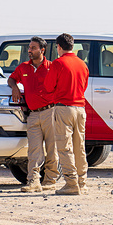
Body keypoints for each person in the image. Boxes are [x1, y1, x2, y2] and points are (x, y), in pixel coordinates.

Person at [8, 36, 59, 192]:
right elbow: (11, 79)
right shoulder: (23, 67)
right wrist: (14, 87)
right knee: (34, 150)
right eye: (29, 48)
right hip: (33, 115)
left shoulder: (52, 67)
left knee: (52, 148)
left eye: (33, 48)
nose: (29, 51)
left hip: (50, 112)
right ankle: (33, 181)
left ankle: (50, 180)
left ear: (42, 50)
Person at [44, 33, 89, 195]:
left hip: (64, 108)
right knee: (79, 146)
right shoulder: (82, 64)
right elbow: (84, 86)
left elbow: (48, 86)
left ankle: (71, 183)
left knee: (64, 147)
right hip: (80, 108)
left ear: (59, 47)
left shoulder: (58, 63)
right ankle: (82, 182)